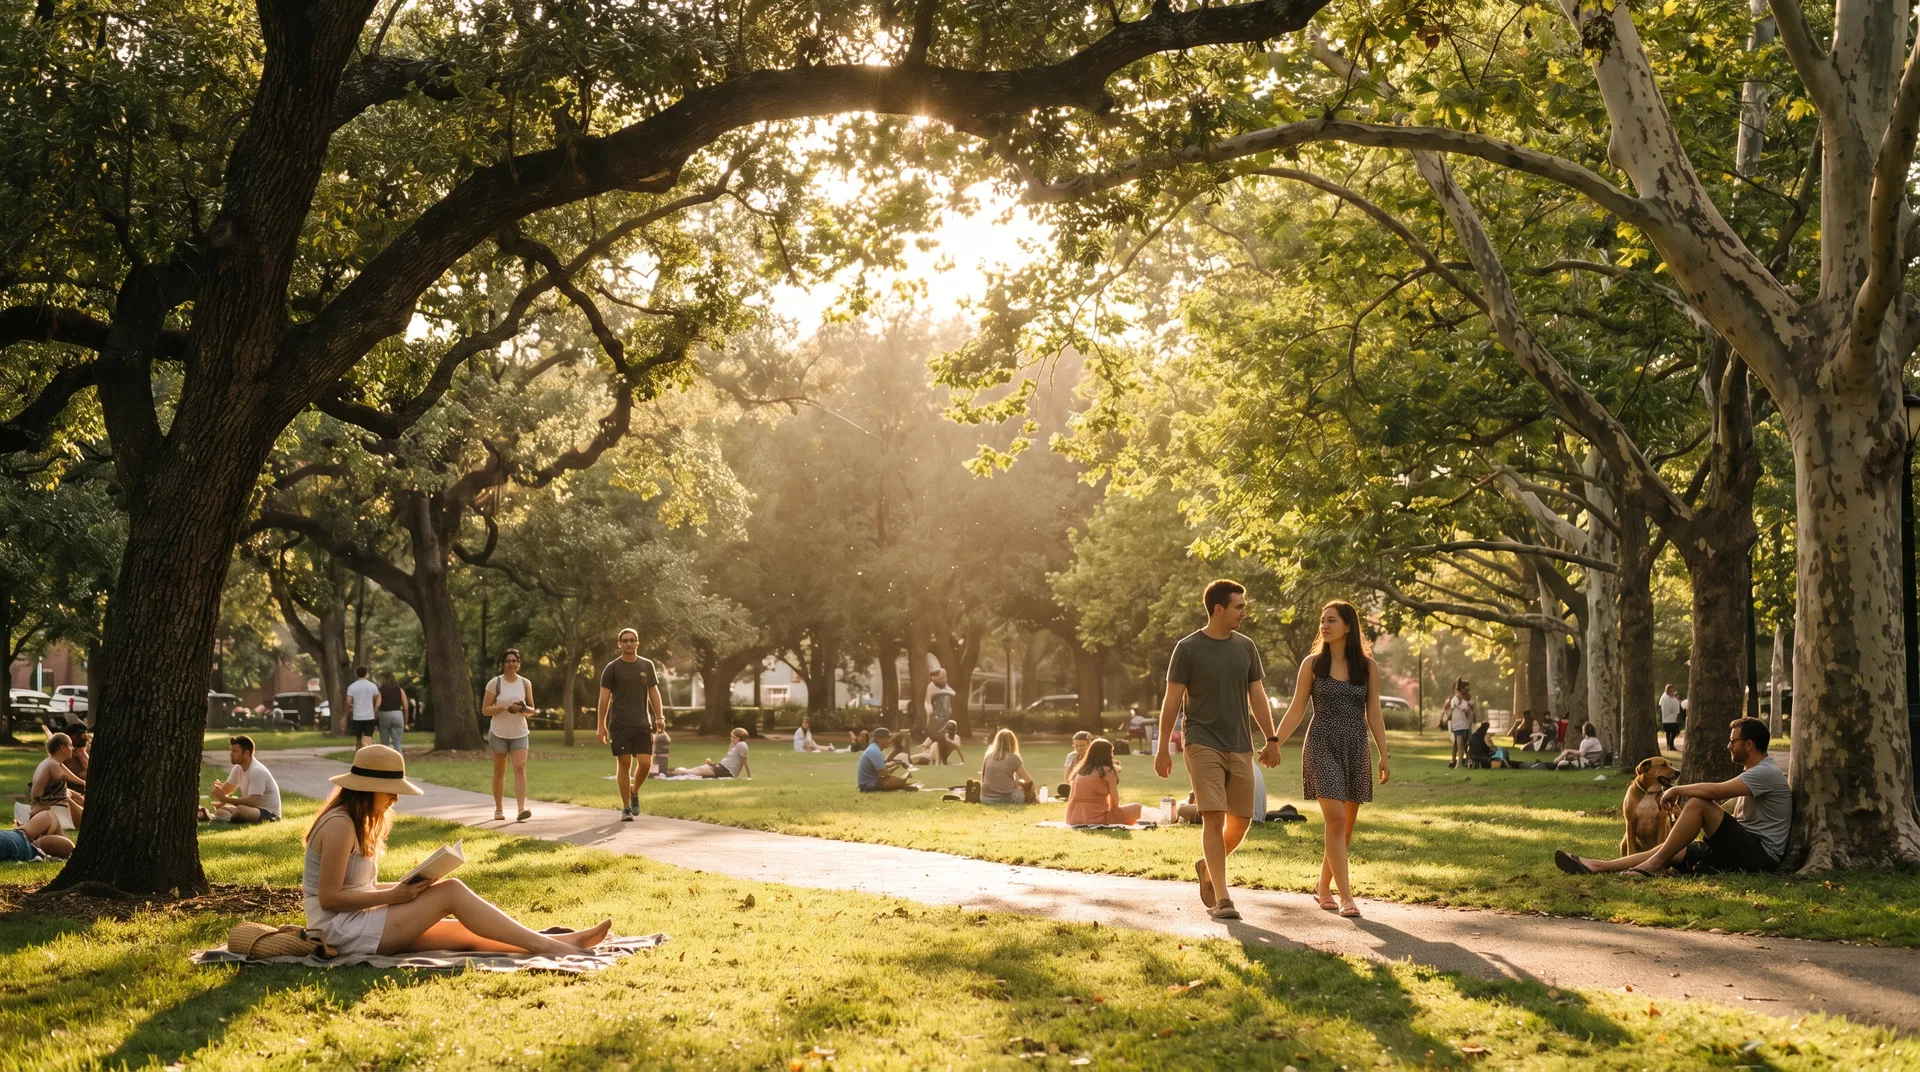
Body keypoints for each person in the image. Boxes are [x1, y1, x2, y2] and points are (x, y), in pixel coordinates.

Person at [304, 744, 612, 956]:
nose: (395, 800)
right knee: (451, 891)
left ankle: (562, 941)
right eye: (391, 792)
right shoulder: (340, 826)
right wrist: (393, 897)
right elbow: (330, 899)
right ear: (367, 788)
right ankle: (550, 947)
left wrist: (408, 889)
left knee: (464, 935)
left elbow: (359, 888)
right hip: (339, 932)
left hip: (359, 921)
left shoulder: (360, 822)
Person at [1156, 578, 1280, 922]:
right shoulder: (1188, 648)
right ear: (1219, 609)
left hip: (1240, 744)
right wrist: (1165, 747)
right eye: (1239, 606)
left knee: (1241, 821)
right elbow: (1171, 701)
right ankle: (1223, 899)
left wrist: (1271, 739)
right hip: (1201, 742)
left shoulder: (1246, 647)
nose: (1245, 612)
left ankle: (1207, 866)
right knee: (1214, 815)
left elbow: (1257, 695)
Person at [1271, 599, 1390, 919]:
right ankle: (1346, 898)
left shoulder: (1368, 668)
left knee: (1345, 827)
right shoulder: (1312, 664)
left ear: (1348, 627)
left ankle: (1323, 887)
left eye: (1332, 620)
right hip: (1321, 742)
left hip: (1355, 745)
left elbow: (1374, 713)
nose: (1324, 625)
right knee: (1336, 821)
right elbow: (1296, 708)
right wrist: (1274, 741)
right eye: (1322, 620)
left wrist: (1383, 753)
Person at [1556, 717, 1791, 877]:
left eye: (1733, 741)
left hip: (1760, 855)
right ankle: (1595, 866)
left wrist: (1677, 789)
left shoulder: (1765, 772)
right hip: (1743, 847)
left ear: (1749, 744)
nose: (1728, 745)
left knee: (1699, 803)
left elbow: (1715, 792)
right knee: (1669, 849)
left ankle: (1653, 866)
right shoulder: (1754, 772)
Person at [596, 627, 664, 822]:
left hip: (642, 723)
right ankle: (626, 807)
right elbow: (603, 699)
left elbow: (653, 692)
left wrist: (660, 717)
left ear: (637, 643)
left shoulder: (647, 665)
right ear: (619, 644)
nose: (628, 643)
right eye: (624, 640)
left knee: (645, 763)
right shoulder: (612, 668)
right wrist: (601, 726)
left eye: (632, 640)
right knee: (624, 763)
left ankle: (634, 792)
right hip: (619, 723)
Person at [482, 649, 535, 822]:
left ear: (519, 664)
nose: (511, 664)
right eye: (508, 661)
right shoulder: (494, 683)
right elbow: (485, 710)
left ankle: (521, 809)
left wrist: (521, 708)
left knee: (520, 767)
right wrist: (505, 707)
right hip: (499, 733)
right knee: (499, 771)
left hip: (519, 732)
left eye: (515, 661)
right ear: (502, 664)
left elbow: (532, 710)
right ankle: (499, 809)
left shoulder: (525, 683)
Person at [201, 735, 283, 823]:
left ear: (246, 753)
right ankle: (225, 820)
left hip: (268, 813)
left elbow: (252, 802)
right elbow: (225, 790)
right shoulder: (237, 769)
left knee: (240, 811)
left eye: (235, 751)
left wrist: (225, 799)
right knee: (221, 810)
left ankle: (222, 820)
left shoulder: (257, 771)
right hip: (251, 810)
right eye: (231, 750)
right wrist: (217, 789)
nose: (231, 754)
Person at [1065, 737, 1144, 825]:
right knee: (1138, 808)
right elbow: (1114, 802)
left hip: (1072, 819)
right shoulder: (1108, 771)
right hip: (1096, 819)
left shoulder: (1079, 770)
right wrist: (1115, 814)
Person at [29, 733, 83, 829]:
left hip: (54, 803)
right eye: (70, 745)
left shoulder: (54, 762)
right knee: (90, 819)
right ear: (63, 748)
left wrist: (82, 790)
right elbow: (36, 797)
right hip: (46, 808)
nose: (73, 748)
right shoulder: (53, 765)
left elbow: (75, 779)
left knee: (77, 796)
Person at [979, 729, 1035, 804]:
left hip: (985, 798)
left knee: (1018, 785)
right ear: (1013, 742)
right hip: (1005, 799)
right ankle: (1033, 800)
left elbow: (983, 779)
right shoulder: (1014, 758)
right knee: (1025, 788)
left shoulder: (988, 756)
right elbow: (1028, 782)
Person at [672, 728, 751, 779]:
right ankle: (676, 771)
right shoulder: (734, 744)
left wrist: (749, 776)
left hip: (727, 771)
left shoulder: (742, 745)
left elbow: (744, 762)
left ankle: (675, 772)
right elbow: (731, 760)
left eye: (733, 737)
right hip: (721, 767)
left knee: (694, 771)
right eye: (731, 736)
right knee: (697, 770)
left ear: (739, 738)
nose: (731, 739)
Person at [0, 810, 72, 861]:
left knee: (48, 815)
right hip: (24, 844)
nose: (31, 812)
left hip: (19, 839)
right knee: (49, 815)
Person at [1441, 680, 1475, 768]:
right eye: (1466, 689)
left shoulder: (1468, 698)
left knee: (1463, 742)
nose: (1468, 691)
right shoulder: (1457, 699)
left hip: (1467, 724)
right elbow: (1463, 710)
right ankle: (1457, 762)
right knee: (1459, 743)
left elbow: (1472, 710)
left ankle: (1461, 761)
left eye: (1469, 689)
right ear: (1461, 689)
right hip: (1459, 724)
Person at [346, 666, 381, 749]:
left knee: (358, 739)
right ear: (366, 674)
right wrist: (375, 708)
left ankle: (358, 757)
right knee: (368, 738)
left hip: (357, 717)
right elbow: (377, 698)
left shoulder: (352, 687)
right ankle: (368, 758)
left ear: (357, 674)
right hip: (369, 716)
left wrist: (347, 713)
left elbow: (348, 702)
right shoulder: (372, 686)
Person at [376, 676, 410, 753]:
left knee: (385, 743)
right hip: (397, 714)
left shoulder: (381, 690)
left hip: (384, 714)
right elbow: (405, 707)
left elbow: (377, 704)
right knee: (397, 742)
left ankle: (385, 763)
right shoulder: (400, 690)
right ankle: (400, 762)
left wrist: (375, 715)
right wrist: (406, 721)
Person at [924, 669, 956, 739]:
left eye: (945, 676)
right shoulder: (931, 686)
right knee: (935, 726)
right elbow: (928, 699)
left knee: (944, 725)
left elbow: (951, 693)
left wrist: (949, 706)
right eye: (942, 677)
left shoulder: (945, 685)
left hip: (944, 710)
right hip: (936, 709)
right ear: (934, 677)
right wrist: (929, 706)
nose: (945, 679)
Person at [1660, 684, 1683, 752]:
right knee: (1670, 732)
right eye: (1671, 691)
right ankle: (1670, 745)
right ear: (1667, 691)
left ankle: (1670, 745)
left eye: (1673, 691)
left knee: (1673, 732)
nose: (1672, 692)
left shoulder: (1671, 698)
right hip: (1668, 719)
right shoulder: (1665, 698)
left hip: (1672, 718)